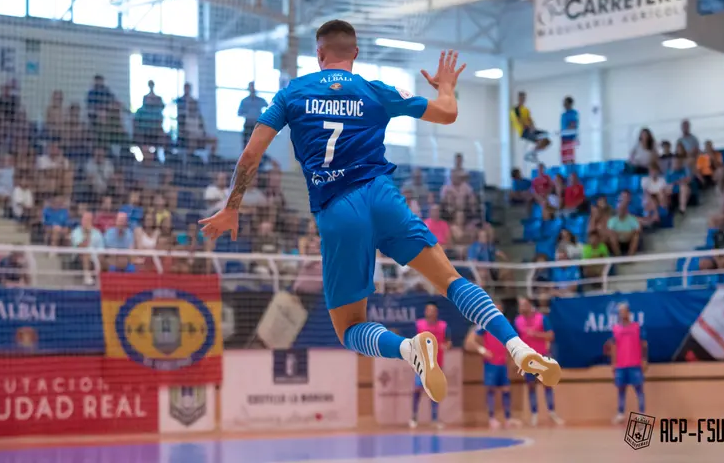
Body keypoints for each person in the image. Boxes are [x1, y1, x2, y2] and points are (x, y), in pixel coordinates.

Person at [200, 21, 561, 406]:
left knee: (349, 326)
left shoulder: (292, 94)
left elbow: (251, 154)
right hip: (382, 198)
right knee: (450, 280)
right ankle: (518, 346)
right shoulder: (375, 91)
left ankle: (408, 350)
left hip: (339, 211)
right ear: (354, 53)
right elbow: (446, 112)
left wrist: (231, 207)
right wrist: (445, 85)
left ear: (319, 54)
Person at [465, 300, 520, 430]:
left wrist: (512, 359)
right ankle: (492, 419)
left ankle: (507, 418)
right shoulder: (485, 324)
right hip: (491, 363)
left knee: (506, 389)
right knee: (491, 390)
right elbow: (469, 342)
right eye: (495, 308)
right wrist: (482, 350)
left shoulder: (506, 324)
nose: (497, 311)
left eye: (499, 309)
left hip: (502, 363)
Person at [514, 297, 564, 427]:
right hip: (527, 358)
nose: (521, 308)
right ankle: (534, 414)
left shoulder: (542, 318)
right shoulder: (517, 321)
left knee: (547, 384)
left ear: (530, 305)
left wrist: (536, 334)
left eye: (523, 305)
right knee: (531, 386)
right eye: (520, 305)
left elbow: (550, 336)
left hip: (541, 356)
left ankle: (552, 412)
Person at [409, 302, 451, 430]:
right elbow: (411, 344)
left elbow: (448, 342)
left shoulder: (443, 326)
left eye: (433, 310)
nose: (431, 312)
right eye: (428, 310)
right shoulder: (419, 325)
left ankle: (434, 419)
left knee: (434, 392)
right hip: (421, 364)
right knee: (417, 389)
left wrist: (446, 346)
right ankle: (414, 417)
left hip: (436, 365)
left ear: (436, 312)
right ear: (425, 312)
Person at [605, 302, 647, 425]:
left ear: (629, 313)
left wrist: (644, 360)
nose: (623, 314)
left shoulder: (637, 327)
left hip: (635, 365)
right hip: (621, 366)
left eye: (625, 311)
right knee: (621, 391)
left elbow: (644, 344)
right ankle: (620, 414)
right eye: (620, 312)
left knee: (639, 390)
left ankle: (642, 415)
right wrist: (613, 363)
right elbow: (613, 346)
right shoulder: (615, 329)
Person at [510, 91, 550, 163]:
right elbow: (519, 122)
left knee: (546, 136)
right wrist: (528, 127)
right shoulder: (515, 110)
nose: (523, 100)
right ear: (519, 99)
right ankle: (531, 153)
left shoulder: (526, 110)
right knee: (539, 139)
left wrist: (533, 127)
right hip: (523, 132)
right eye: (521, 98)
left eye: (524, 98)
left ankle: (533, 151)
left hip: (530, 129)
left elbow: (530, 120)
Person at [238, 81, 268, 147]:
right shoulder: (244, 101)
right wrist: (248, 115)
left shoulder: (261, 100)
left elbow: (269, 108)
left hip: (257, 124)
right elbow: (239, 113)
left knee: (258, 143)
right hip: (248, 124)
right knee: (245, 143)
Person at [559, 96, 579, 165]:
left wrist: (565, 131)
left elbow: (573, 126)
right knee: (563, 159)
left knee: (570, 158)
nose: (564, 105)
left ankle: (572, 174)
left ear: (570, 104)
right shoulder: (563, 115)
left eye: (565, 103)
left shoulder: (574, 113)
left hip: (570, 139)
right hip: (563, 138)